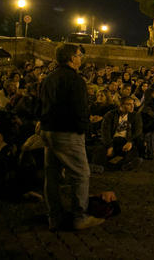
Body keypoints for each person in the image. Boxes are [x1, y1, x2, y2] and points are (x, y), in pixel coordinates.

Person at [39, 43, 105, 231]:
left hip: (48, 131)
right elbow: (79, 109)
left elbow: (41, 104)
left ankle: (54, 217)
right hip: (67, 132)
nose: (81, 58)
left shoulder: (48, 78)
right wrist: (84, 128)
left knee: (51, 175)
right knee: (81, 174)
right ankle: (79, 217)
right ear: (71, 58)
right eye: (78, 55)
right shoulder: (75, 80)